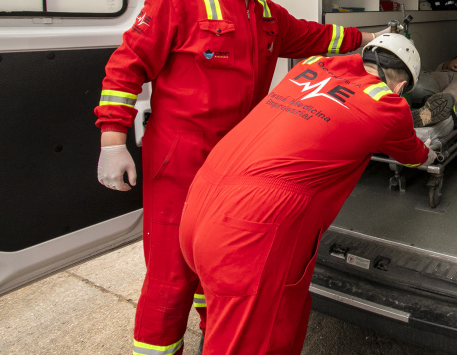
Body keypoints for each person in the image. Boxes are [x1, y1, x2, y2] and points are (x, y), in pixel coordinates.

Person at [94, 0, 383, 355]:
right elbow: (126, 67)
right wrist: (113, 141)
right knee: (171, 276)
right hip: (179, 160)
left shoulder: (265, 15)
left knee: (225, 266)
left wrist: (366, 42)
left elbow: (315, 37)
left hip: (235, 167)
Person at [178, 34, 437, 354]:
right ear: (400, 86)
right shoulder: (386, 104)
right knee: (255, 342)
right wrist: (430, 156)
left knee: (240, 321)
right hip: (250, 229)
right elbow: (410, 154)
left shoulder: (308, 68)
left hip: (199, 201)